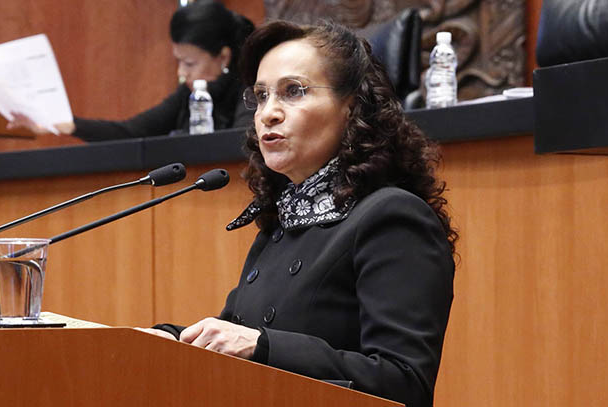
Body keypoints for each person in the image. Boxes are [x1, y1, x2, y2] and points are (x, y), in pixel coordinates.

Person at [141, 20, 457, 407]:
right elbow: (233, 337)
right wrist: (168, 340)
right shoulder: (281, 222)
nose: (268, 113)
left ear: (351, 106)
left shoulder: (393, 217)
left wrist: (264, 346)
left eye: (293, 91)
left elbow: (404, 383)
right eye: (261, 96)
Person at [7, 1, 254, 141]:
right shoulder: (187, 95)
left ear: (223, 56)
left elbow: (241, 144)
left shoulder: (250, 89)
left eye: (189, 64)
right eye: (178, 62)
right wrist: (68, 124)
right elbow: (132, 132)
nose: (182, 72)